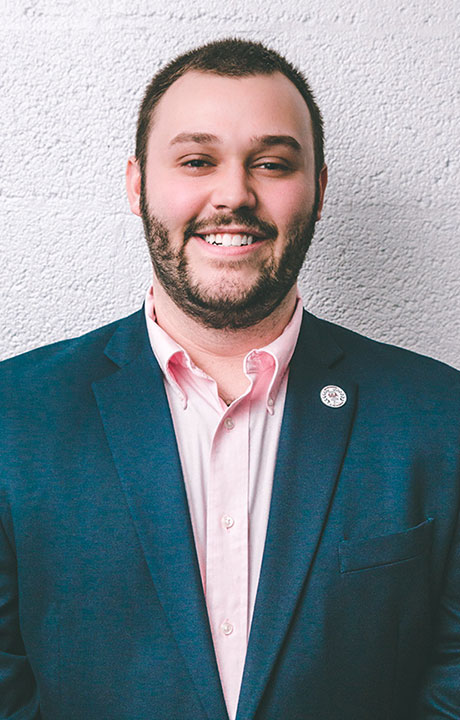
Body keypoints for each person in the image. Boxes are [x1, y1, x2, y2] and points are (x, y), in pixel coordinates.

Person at [0, 37, 459, 720]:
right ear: (136, 184)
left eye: (272, 163)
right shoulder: (16, 414)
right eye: (196, 160)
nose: (234, 194)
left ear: (320, 189)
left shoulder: (437, 414)